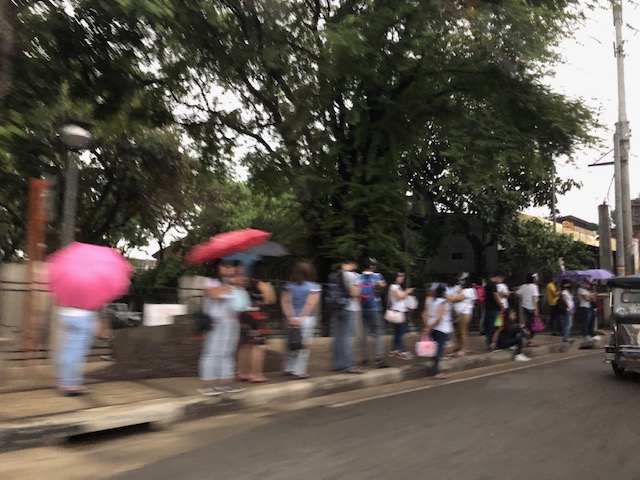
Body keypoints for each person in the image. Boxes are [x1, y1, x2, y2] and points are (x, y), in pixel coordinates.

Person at [198, 259, 250, 396]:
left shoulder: (236, 283)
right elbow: (213, 294)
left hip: (232, 323)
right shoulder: (211, 281)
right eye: (225, 266)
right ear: (218, 267)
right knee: (212, 353)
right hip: (216, 322)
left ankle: (226, 383)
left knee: (228, 353)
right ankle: (208, 385)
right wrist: (230, 285)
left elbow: (241, 301)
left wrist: (237, 283)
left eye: (231, 266)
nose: (229, 269)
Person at [236, 261, 276, 383]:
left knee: (245, 345)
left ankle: (241, 372)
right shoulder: (263, 285)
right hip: (258, 318)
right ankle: (256, 373)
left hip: (245, 316)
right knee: (258, 346)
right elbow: (271, 300)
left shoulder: (245, 284)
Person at [281, 262, 321, 379]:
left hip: (291, 318)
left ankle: (288, 367)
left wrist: (290, 316)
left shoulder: (288, 286)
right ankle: (299, 371)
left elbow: (285, 302)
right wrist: (302, 317)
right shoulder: (314, 287)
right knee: (303, 346)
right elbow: (310, 303)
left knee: (292, 343)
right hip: (306, 319)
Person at [56, 306, 99, 396]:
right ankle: (71, 384)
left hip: (65, 315)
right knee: (77, 352)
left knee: (69, 349)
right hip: (82, 317)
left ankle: (66, 382)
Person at [331, 258, 364, 374]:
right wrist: (359, 291)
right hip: (350, 308)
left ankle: (337, 363)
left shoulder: (335, 275)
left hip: (336, 307)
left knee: (338, 337)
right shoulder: (352, 276)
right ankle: (347, 365)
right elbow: (354, 292)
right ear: (352, 264)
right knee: (347, 338)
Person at [359, 258, 390, 368]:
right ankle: (379, 358)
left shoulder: (358, 277)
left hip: (363, 308)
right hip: (375, 308)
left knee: (364, 334)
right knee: (377, 332)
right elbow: (383, 286)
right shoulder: (377, 276)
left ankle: (364, 358)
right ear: (371, 266)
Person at [423, 283, 453, 379]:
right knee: (438, 350)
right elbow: (439, 318)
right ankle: (437, 372)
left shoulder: (430, 301)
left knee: (434, 349)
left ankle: (435, 369)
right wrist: (431, 327)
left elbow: (424, 313)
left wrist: (427, 327)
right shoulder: (443, 302)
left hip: (432, 326)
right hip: (441, 328)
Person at [387, 271, 415, 360]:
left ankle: (394, 350)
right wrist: (407, 292)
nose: (402, 278)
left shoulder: (397, 287)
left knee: (397, 332)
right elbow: (399, 297)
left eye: (403, 276)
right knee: (400, 333)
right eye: (400, 276)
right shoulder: (394, 287)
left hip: (399, 311)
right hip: (398, 312)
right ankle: (402, 351)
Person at [448, 272, 476, 356]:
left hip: (465, 312)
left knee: (462, 330)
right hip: (457, 311)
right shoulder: (459, 288)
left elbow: (456, 298)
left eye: (463, 280)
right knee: (458, 331)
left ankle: (464, 348)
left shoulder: (468, 290)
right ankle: (459, 346)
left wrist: (448, 296)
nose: (461, 281)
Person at [517, 273, 540, 347]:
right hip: (532, 307)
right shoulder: (534, 286)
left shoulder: (523, 286)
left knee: (528, 324)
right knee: (533, 325)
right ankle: (530, 339)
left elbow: (518, 293)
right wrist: (536, 309)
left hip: (525, 307)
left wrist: (522, 299)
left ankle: (528, 339)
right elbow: (534, 298)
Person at [483, 273, 503, 351]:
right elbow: (496, 296)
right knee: (495, 327)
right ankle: (492, 344)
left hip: (488, 308)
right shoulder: (493, 285)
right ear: (497, 277)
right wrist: (501, 305)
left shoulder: (487, 284)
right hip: (494, 309)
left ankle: (490, 342)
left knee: (490, 326)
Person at [558, 280, 575, 344]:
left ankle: (567, 336)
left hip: (571, 308)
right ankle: (566, 337)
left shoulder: (568, 292)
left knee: (569, 323)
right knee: (568, 324)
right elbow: (565, 301)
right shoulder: (564, 292)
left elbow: (570, 299)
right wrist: (570, 308)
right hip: (567, 309)